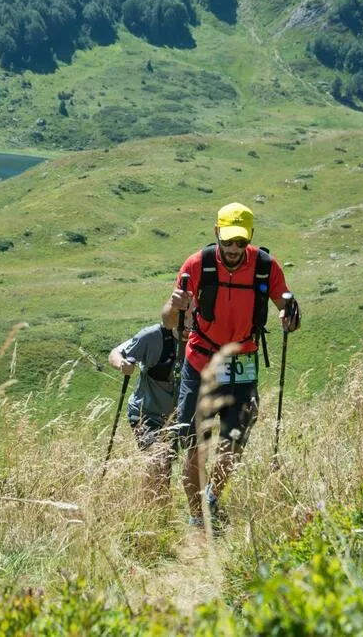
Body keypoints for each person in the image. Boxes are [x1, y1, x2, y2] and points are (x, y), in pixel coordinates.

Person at [161, 202, 300, 529]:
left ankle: (211, 497)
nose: (234, 248)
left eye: (241, 241)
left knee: (235, 441)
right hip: (200, 361)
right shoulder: (198, 264)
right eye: (228, 241)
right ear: (216, 233)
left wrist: (289, 316)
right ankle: (197, 519)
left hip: (242, 363)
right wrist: (174, 305)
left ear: (250, 236)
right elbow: (168, 319)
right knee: (194, 446)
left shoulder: (265, 266)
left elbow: (289, 310)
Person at [107, 323, 178, 504]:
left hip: (177, 418)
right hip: (146, 413)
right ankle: (152, 508)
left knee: (167, 464)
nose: (188, 319)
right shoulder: (153, 336)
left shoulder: (200, 335)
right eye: (184, 314)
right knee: (160, 460)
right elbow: (116, 353)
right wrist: (122, 364)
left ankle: (156, 508)